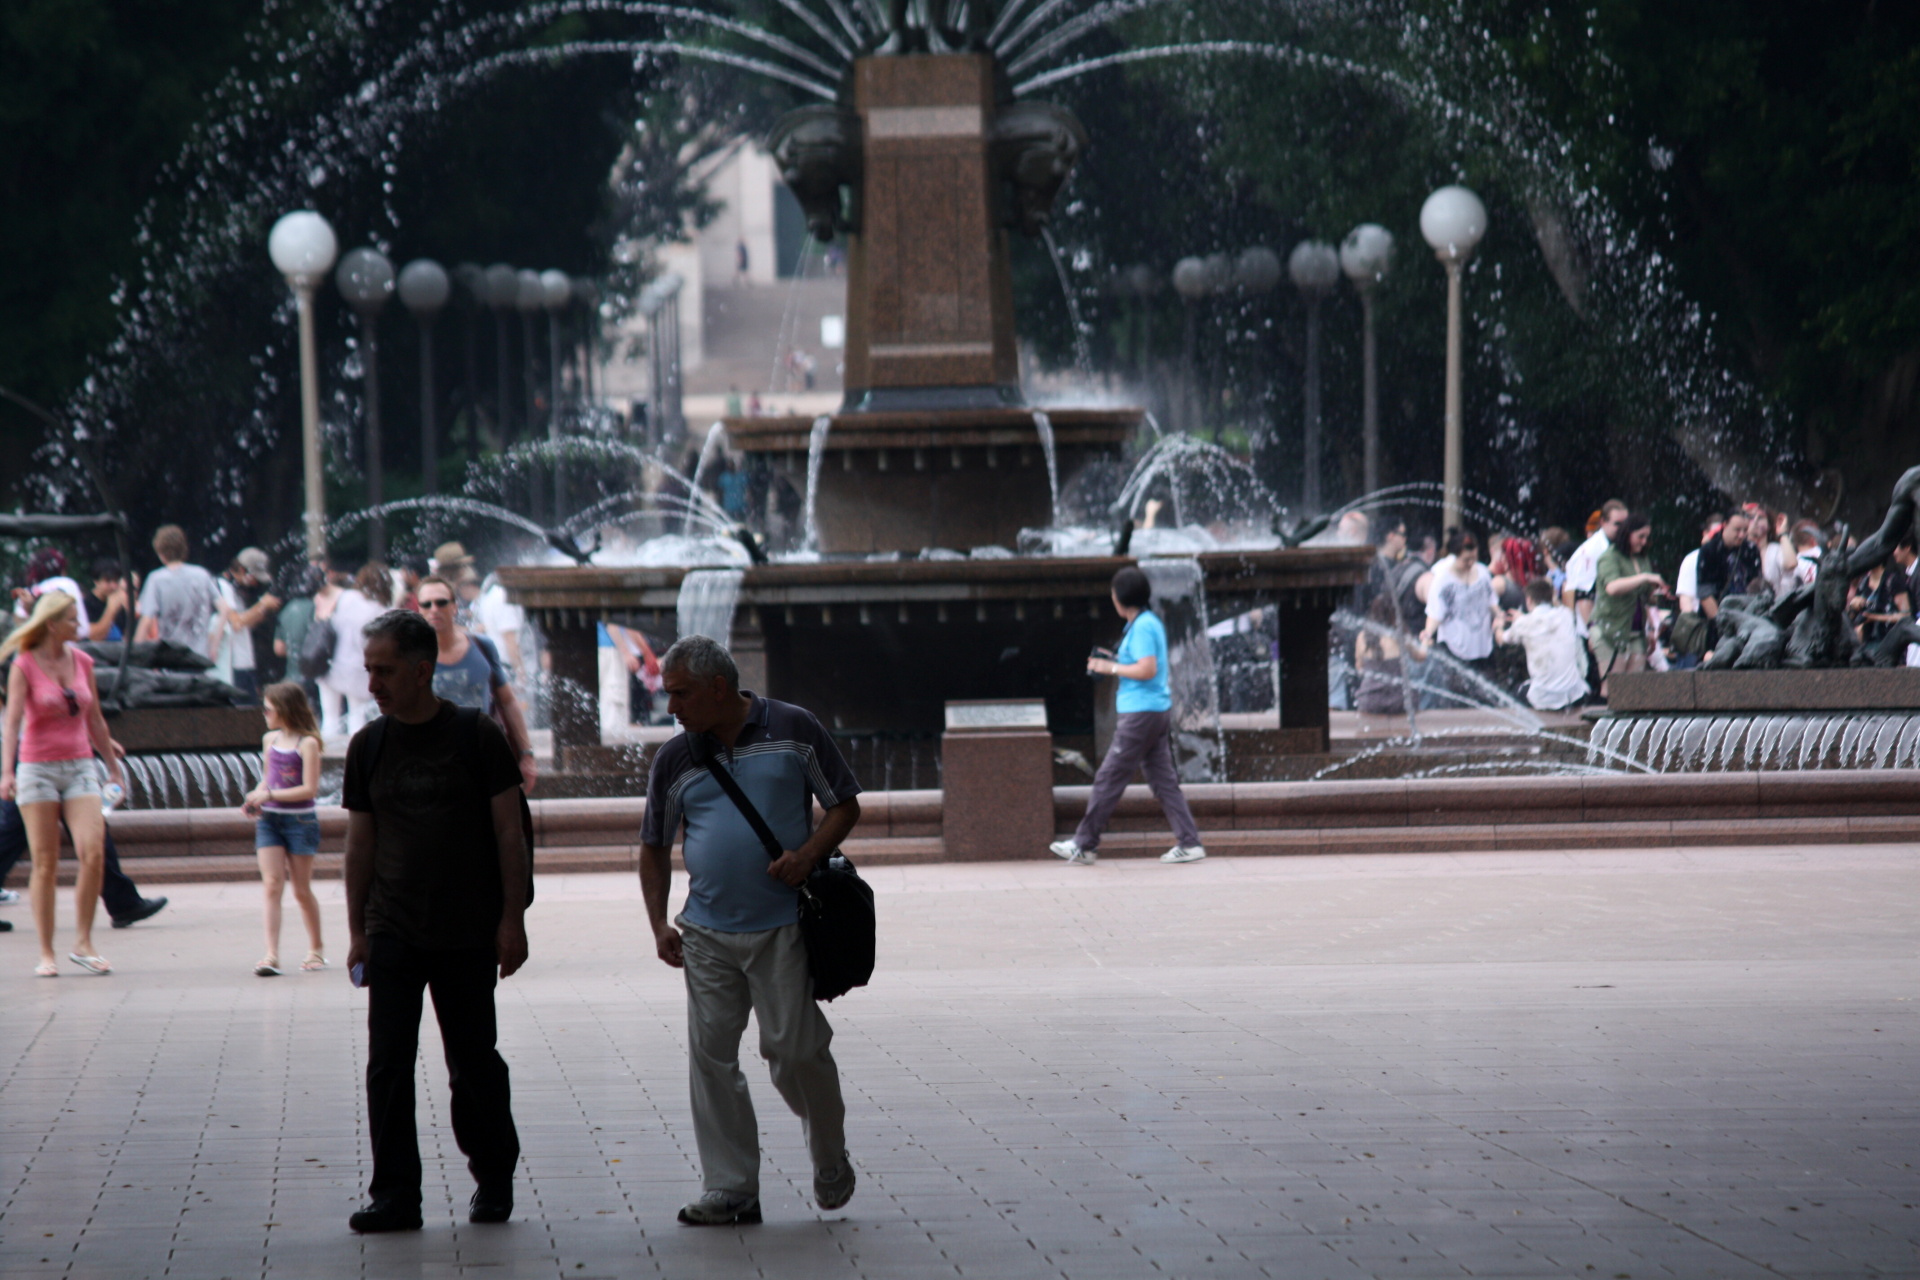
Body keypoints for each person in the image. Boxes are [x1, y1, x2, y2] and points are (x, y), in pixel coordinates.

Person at [639, 634, 861, 1226]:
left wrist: (808, 855)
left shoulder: (794, 727)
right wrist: (658, 923)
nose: (672, 708)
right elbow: (654, 844)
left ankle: (829, 1151)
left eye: (680, 694)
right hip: (706, 932)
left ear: (718, 688)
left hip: (783, 925)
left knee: (794, 1051)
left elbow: (844, 804)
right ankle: (731, 1187)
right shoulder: (676, 757)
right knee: (711, 1058)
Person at [344, 609, 528, 1234]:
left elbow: (511, 833)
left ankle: (494, 1178)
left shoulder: (476, 736)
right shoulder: (368, 746)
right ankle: (395, 1194)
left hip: (467, 929)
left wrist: (512, 919)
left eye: (385, 671)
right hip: (393, 928)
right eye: (369, 670)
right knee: (387, 1066)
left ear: (423, 671)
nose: (373, 684)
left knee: (473, 1064)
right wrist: (357, 931)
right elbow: (359, 845)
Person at [0, 592, 124, 976]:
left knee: (93, 851)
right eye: (72, 619)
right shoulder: (24, 664)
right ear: (51, 624)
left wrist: (112, 766)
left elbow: (96, 720)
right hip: (37, 769)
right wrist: (8, 772)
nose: (80, 626)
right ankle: (46, 953)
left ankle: (83, 943)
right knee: (45, 864)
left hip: (80, 767)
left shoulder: (83, 660)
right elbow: (13, 723)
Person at [1051, 566, 1205, 866]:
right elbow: (1141, 662)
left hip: (1141, 715)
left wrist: (1110, 668)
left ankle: (1084, 844)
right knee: (1163, 782)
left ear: (1120, 599)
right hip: (1151, 712)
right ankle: (1190, 842)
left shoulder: (1144, 626)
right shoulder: (1143, 624)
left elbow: (1147, 669)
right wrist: (1113, 661)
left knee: (1109, 777)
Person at [416, 575, 538, 793]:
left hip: (485, 758)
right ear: (420, 610)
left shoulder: (482, 646)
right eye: (427, 604)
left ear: (454, 606)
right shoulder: (410, 657)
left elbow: (508, 701)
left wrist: (526, 754)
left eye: (441, 602)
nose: (434, 609)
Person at [241, 682, 325, 977]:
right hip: (269, 822)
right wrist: (256, 793)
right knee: (272, 884)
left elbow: (309, 789)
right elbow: (268, 779)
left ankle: (316, 948)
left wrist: (270, 795)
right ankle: (270, 954)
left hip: (300, 822)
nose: (263, 713)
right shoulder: (269, 740)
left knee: (301, 890)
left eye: (268, 708)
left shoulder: (308, 743)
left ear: (285, 710)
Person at [1590, 512, 1666, 696]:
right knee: (1614, 689)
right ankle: (1608, 724)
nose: (1644, 541)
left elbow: (1646, 598)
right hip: (1610, 630)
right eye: (1640, 536)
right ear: (1627, 534)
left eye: (1647, 537)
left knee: (1633, 690)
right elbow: (1613, 588)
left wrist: (1650, 628)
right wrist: (1645, 577)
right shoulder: (1610, 557)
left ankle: (1629, 725)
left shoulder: (1642, 559)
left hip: (1636, 631)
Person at [1420, 529, 1499, 696]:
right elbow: (1435, 613)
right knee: (1459, 694)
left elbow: (1492, 603)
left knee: (1485, 694)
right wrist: (1427, 634)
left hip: (1482, 646)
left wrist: (1500, 617)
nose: (1470, 563)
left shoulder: (1483, 573)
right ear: (1455, 556)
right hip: (1455, 646)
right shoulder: (1443, 579)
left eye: (1473, 558)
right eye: (1465, 560)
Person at [1494, 578, 1589, 711]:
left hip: (1543, 698)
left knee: (1512, 695)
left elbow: (1501, 639)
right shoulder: (1566, 615)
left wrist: (1498, 626)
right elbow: (1547, 618)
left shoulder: (1523, 624)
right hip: (1573, 694)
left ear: (1528, 600)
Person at [319, 563, 390, 739]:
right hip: (358, 669)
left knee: (330, 717)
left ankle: (326, 756)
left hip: (330, 663)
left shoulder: (347, 597)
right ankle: (353, 757)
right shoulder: (380, 610)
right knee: (357, 718)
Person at [135, 525, 218, 652]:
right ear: (184, 549)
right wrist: (213, 647)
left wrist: (135, 653)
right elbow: (225, 609)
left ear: (160, 552)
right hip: (200, 658)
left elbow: (146, 620)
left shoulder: (156, 579)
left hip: (171, 658)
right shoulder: (202, 574)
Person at [1561, 500, 1626, 635]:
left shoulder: (1616, 546)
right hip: (1593, 630)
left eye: (1625, 524)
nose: (1623, 529)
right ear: (1603, 522)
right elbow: (1583, 597)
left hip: (1615, 626)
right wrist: (1593, 633)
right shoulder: (1592, 551)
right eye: (1617, 524)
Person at [1353, 591, 1422, 716]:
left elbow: (1359, 667)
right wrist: (1426, 642)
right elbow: (1420, 657)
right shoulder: (1401, 635)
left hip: (1370, 701)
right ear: (1395, 614)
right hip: (1400, 701)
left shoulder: (1362, 637)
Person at [1694, 509, 1759, 618]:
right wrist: (1719, 621)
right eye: (1737, 530)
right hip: (1718, 612)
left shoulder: (1751, 549)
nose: (1741, 535)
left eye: (1745, 530)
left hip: (1746, 613)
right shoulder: (1709, 550)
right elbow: (1705, 594)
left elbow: (1756, 584)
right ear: (1725, 525)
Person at [13, 547, 91, 631]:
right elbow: (83, 630)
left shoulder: (26, 594)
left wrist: (29, 610)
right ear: (62, 569)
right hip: (71, 641)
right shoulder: (67, 583)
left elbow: (20, 629)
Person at [1747, 505, 1792, 598]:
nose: (1755, 521)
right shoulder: (1739, 551)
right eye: (1751, 517)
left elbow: (1791, 564)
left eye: (1760, 518)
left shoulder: (1774, 550)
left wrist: (1783, 533)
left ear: (1769, 525)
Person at [86, 558, 131, 643]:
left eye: (116, 581)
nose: (113, 586)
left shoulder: (119, 606)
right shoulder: (86, 604)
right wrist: (111, 610)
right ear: (96, 581)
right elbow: (94, 637)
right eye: (108, 581)